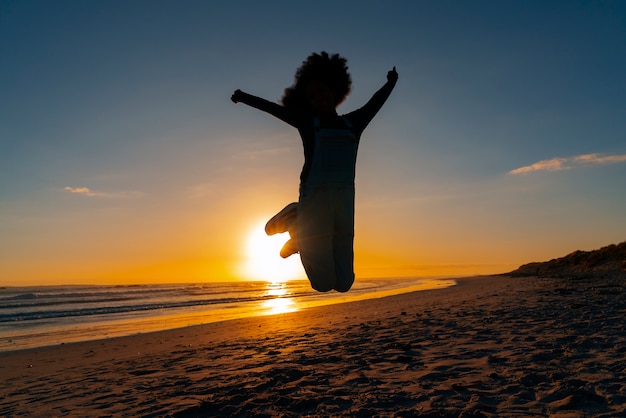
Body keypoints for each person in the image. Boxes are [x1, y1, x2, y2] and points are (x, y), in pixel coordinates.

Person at [231, 51, 397, 292]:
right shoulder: (309, 124)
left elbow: (375, 103)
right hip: (314, 198)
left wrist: (391, 83)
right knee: (322, 284)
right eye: (312, 96)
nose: (319, 98)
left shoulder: (355, 123)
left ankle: (297, 223)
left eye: (322, 91)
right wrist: (244, 97)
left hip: (343, 201)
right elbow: (272, 109)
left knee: (344, 283)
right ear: (306, 103)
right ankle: (297, 220)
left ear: (335, 91)